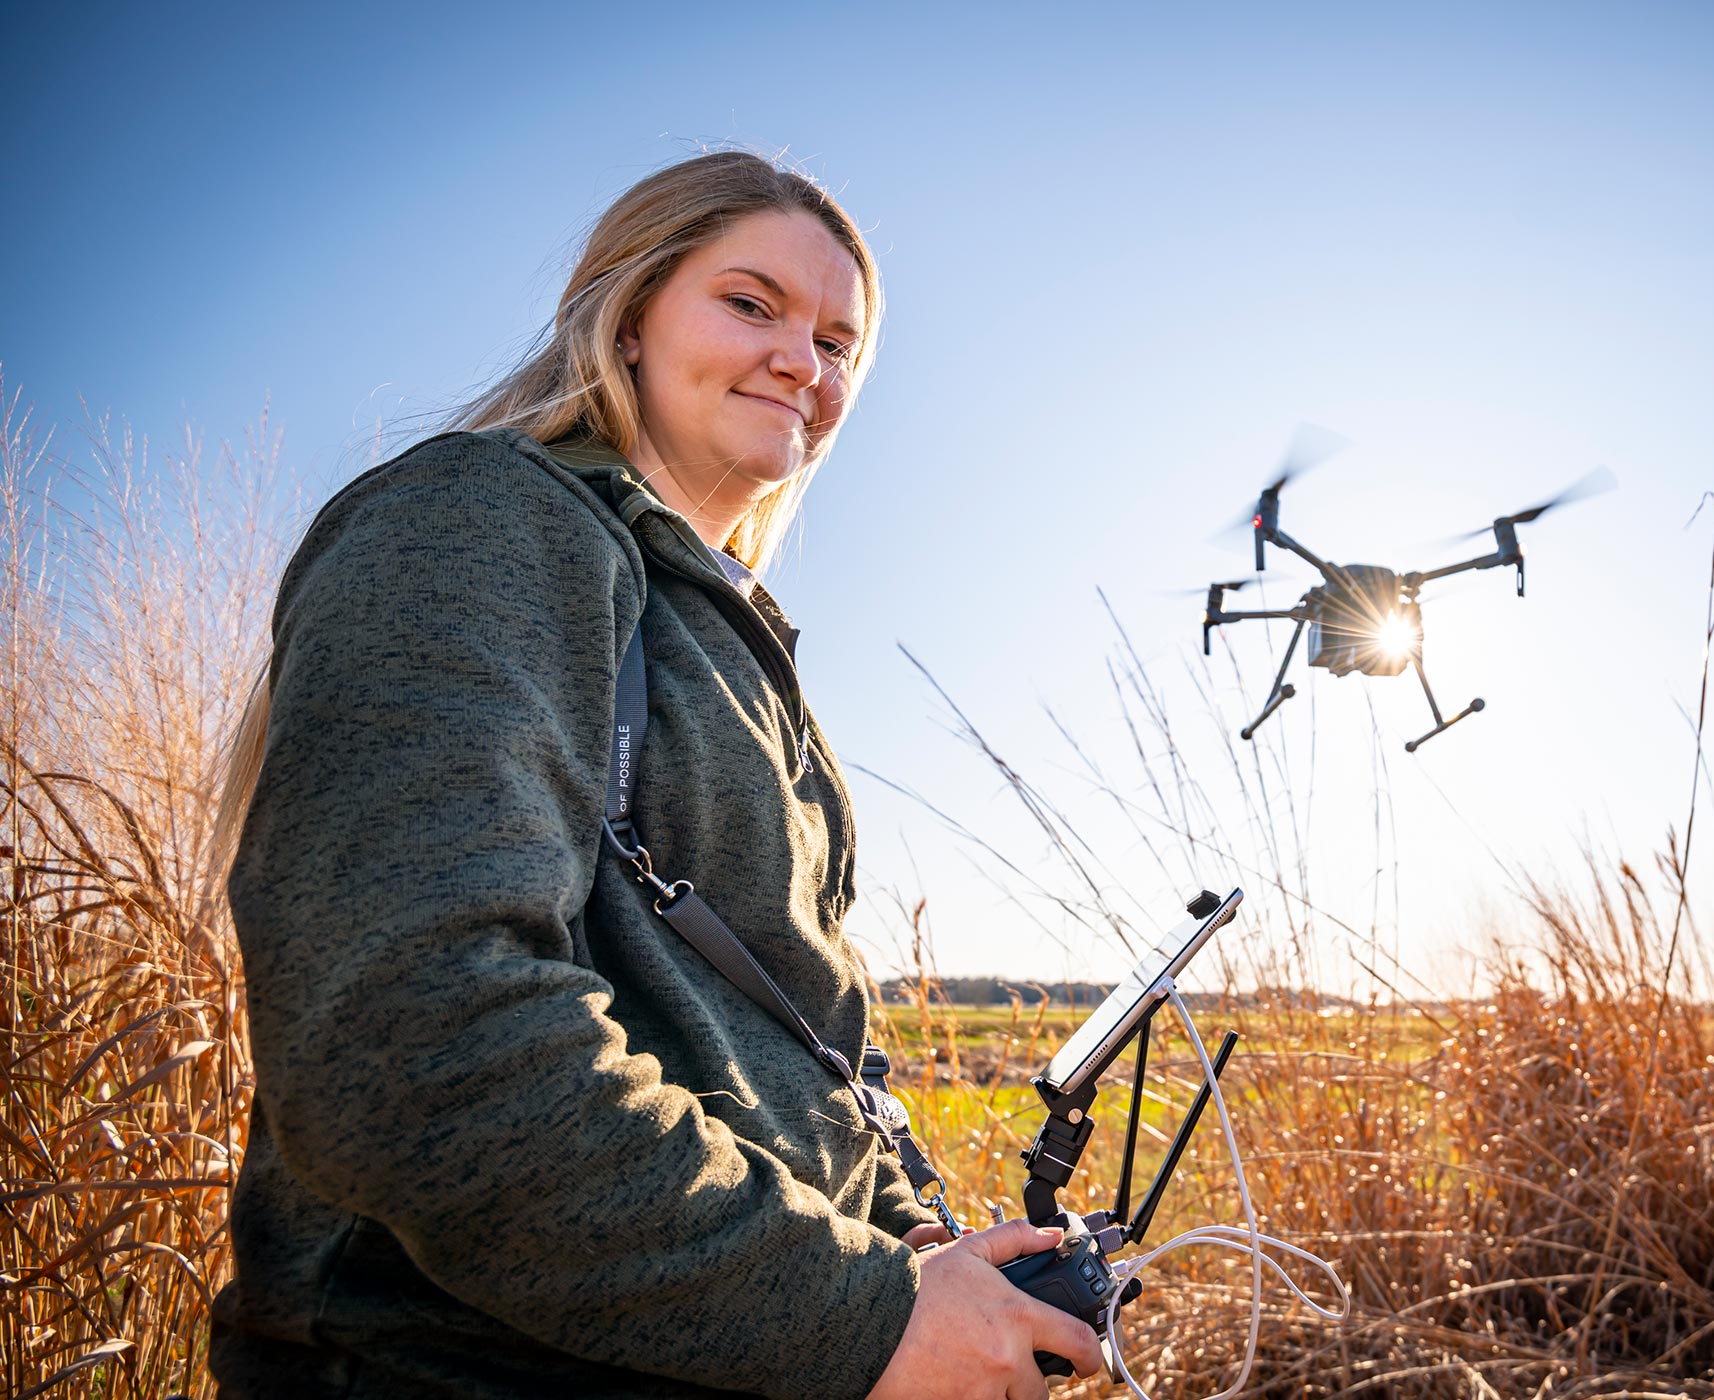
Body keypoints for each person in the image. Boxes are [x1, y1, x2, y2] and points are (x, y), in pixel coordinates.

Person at [208, 150, 1107, 1400]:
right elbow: (416, 1037)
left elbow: (817, 1039)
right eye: (752, 304)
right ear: (627, 318)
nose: (807, 360)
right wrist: (853, 1314)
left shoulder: (735, 643)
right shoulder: (480, 517)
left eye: (839, 340)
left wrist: (912, 1245)